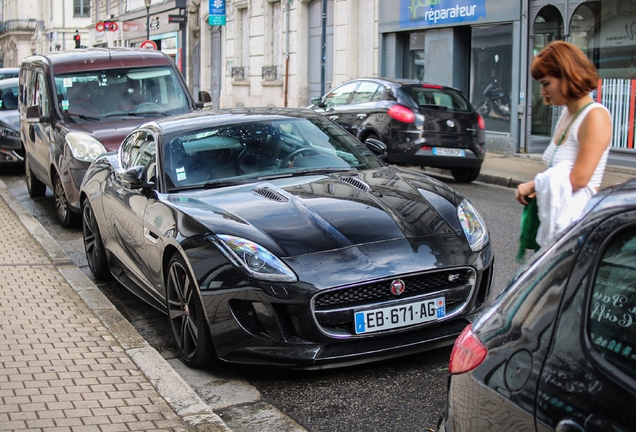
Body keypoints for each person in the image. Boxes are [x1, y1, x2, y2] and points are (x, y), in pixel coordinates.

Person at [516, 41, 612, 248]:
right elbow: (558, 171)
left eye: (546, 83)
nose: (543, 92)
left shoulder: (595, 116)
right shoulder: (566, 114)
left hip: (577, 232)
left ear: (567, 76)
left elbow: (579, 178)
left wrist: (531, 185)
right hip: (560, 228)